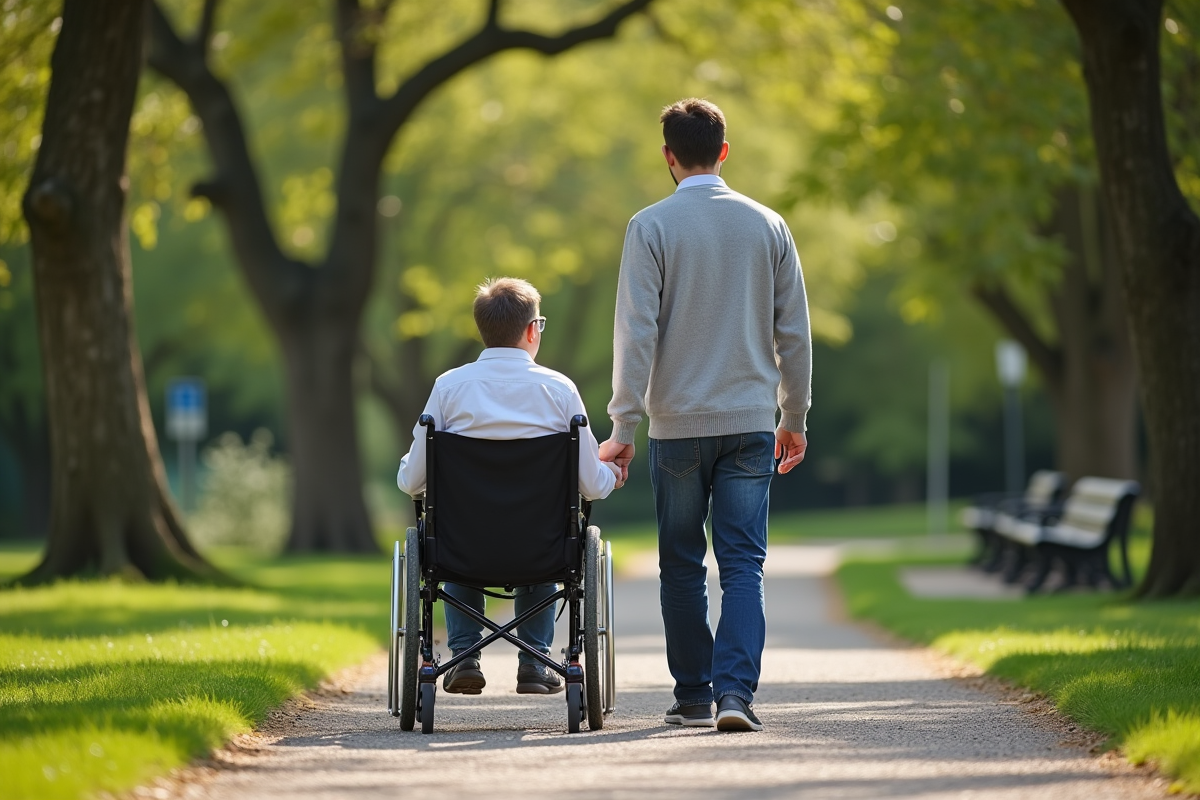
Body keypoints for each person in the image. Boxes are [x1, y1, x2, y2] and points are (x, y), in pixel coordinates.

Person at [599, 98, 811, 732]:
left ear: (668, 156)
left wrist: (623, 426)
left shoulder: (650, 226)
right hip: (750, 421)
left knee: (682, 562)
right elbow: (793, 333)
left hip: (678, 426)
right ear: (725, 150)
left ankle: (693, 694)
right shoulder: (768, 225)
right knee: (744, 563)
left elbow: (635, 333)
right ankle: (735, 697)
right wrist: (794, 414)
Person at [398, 277, 622, 696]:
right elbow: (591, 486)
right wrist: (612, 473)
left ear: (481, 329)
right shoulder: (559, 390)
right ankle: (536, 660)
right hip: (541, 546)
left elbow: (412, 481)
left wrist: (404, 467)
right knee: (544, 534)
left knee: (459, 534)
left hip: (462, 547)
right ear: (532, 329)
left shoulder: (449, 387)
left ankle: (463, 656)